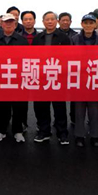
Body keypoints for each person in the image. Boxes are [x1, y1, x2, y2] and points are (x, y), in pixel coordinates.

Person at [32, 11, 72, 145]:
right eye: (47, 19)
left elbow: (68, 57)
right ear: (43, 22)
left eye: (52, 19)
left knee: (59, 106)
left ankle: (62, 133)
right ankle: (44, 131)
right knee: (41, 106)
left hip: (57, 76)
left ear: (57, 21)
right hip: (41, 76)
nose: (50, 22)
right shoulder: (38, 38)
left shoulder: (64, 38)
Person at [71, 14, 98, 147]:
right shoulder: (74, 39)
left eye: (91, 23)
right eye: (85, 23)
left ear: (96, 24)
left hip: (95, 78)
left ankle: (95, 136)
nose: (88, 25)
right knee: (79, 110)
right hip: (79, 78)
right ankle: (79, 136)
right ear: (81, 24)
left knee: (95, 110)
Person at [0, 14, 29, 143]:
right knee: (2, 105)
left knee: (19, 105)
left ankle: (18, 131)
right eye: (6, 22)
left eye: (11, 22)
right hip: (1, 78)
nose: (8, 24)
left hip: (17, 78)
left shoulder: (22, 40)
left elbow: (27, 59)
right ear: (1, 24)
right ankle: (1, 130)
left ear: (15, 24)